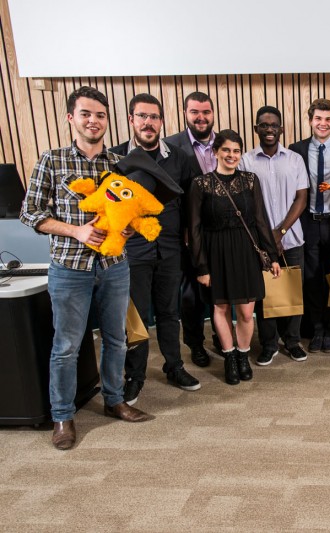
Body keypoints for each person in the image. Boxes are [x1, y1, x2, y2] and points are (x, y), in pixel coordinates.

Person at [20, 86, 152, 450]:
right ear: (71, 118)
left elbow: (133, 209)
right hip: (69, 268)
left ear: (108, 121)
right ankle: (62, 416)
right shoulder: (52, 160)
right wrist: (75, 230)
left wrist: (128, 226)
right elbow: (29, 213)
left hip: (114, 265)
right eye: (86, 114)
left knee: (116, 339)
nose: (93, 121)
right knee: (66, 346)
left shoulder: (119, 164)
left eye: (100, 115)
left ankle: (114, 401)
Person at [110, 94, 201, 405]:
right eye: (142, 117)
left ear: (162, 121)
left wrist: (189, 238)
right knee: (135, 317)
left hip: (170, 247)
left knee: (169, 312)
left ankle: (174, 367)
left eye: (154, 117)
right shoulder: (116, 158)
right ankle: (134, 377)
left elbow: (191, 202)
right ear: (132, 120)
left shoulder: (179, 157)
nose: (148, 123)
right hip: (133, 250)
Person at [188, 130, 281, 386]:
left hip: (246, 251)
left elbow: (261, 220)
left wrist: (271, 255)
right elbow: (194, 229)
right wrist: (201, 267)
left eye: (236, 151)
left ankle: (243, 355)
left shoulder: (250, 180)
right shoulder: (201, 184)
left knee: (247, 311)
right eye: (226, 150)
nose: (231, 155)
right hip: (215, 251)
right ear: (216, 152)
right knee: (220, 307)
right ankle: (229, 357)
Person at [241, 105, 310, 366]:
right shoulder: (246, 160)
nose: (269, 129)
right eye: (264, 125)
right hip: (259, 243)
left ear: (281, 129)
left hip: (291, 239)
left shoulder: (294, 159)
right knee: (266, 294)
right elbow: (246, 202)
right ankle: (269, 344)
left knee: (293, 291)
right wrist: (267, 238)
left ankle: (292, 341)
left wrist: (280, 231)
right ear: (256, 128)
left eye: (274, 125)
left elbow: (301, 198)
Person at [289, 99, 330, 353]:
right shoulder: (296, 149)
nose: (323, 123)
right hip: (308, 222)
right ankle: (316, 329)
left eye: (328, 119)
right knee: (313, 277)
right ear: (310, 121)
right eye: (318, 118)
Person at [164, 91, 219, 368]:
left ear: (212, 114)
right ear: (186, 113)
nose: (201, 117)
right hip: (187, 235)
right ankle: (196, 344)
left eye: (206, 112)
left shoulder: (225, 144)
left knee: (222, 290)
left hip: (221, 234)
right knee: (191, 294)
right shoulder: (171, 146)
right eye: (195, 112)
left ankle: (221, 337)